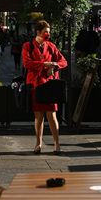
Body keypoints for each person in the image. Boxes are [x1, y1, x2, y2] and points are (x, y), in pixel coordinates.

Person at [23, 20, 67, 154]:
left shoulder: (51, 46)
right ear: (38, 32)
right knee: (38, 116)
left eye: (49, 32)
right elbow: (27, 63)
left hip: (49, 85)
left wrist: (54, 65)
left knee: (52, 115)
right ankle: (38, 144)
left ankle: (57, 144)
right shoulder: (28, 46)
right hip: (36, 84)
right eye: (45, 32)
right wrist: (45, 64)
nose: (48, 34)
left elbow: (63, 61)